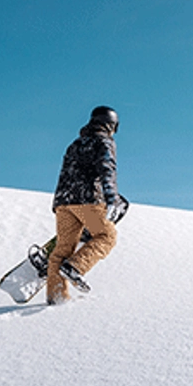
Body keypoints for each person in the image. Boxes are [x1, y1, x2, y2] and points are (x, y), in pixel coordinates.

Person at [47, 106, 127, 305]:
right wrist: (112, 197)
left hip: (64, 203)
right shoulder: (104, 142)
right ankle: (75, 267)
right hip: (88, 200)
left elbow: (65, 174)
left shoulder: (75, 144)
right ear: (111, 124)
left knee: (62, 249)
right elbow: (107, 169)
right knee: (107, 236)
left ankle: (57, 298)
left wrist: (58, 204)